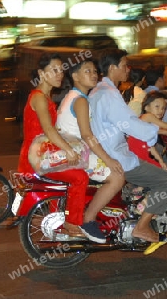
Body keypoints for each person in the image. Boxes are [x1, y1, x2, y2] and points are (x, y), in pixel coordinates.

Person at [88, 48, 167, 244]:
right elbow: (129, 123)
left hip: (105, 150)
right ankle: (141, 227)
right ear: (113, 68)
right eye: (125, 65)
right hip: (115, 155)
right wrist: (158, 131)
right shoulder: (109, 94)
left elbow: (124, 123)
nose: (128, 70)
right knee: (163, 180)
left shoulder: (99, 91)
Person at [17, 52, 96, 240]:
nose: (59, 74)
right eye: (54, 70)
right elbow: (49, 131)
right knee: (80, 177)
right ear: (41, 73)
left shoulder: (45, 97)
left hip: (42, 153)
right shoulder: (39, 98)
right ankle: (72, 222)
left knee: (68, 177)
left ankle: (57, 225)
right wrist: (69, 151)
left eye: (61, 70)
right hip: (38, 157)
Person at [56, 58, 124, 243]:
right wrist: (108, 160)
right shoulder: (80, 101)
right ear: (75, 76)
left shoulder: (72, 96)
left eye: (94, 71)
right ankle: (88, 219)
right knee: (117, 176)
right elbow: (87, 136)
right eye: (87, 71)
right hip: (76, 154)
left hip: (70, 151)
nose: (94, 75)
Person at [128, 91, 167, 170]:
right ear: (146, 107)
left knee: (161, 168)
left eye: (163, 108)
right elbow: (166, 126)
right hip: (138, 150)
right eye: (157, 106)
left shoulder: (149, 125)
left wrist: (160, 161)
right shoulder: (147, 116)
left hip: (143, 150)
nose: (161, 110)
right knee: (160, 174)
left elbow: (151, 146)